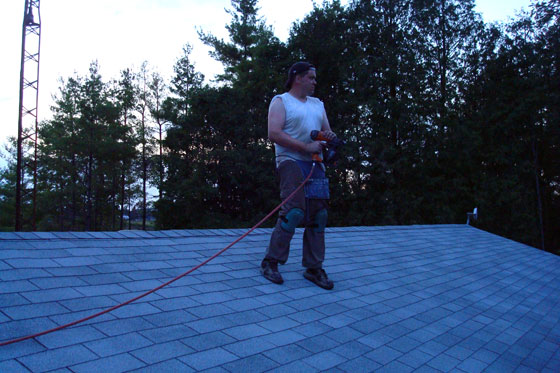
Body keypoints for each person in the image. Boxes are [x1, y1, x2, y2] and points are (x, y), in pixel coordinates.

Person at [261, 62, 336, 290]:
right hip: (290, 161)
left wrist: (329, 138)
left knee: (319, 215)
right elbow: (273, 133)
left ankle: (313, 268)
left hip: (314, 163)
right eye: (311, 78)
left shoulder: (317, 104)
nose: (315, 82)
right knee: (293, 212)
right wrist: (305, 147)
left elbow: (326, 133)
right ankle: (270, 262)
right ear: (298, 78)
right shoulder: (281, 101)